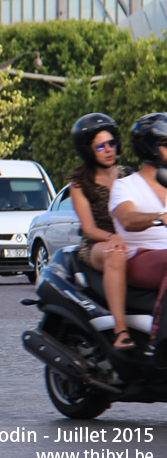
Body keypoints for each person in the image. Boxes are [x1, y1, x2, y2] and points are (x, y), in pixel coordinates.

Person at [67, 113, 132, 349]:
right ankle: (121, 330)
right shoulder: (79, 185)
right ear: (88, 150)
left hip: (131, 239)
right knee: (115, 252)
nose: (109, 150)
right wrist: (111, 236)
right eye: (101, 146)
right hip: (97, 243)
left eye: (112, 143)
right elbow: (89, 228)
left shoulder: (129, 175)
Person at [108, 113, 167, 358]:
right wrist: (159, 217)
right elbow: (127, 219)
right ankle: (160, 338)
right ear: (151, 148)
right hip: (139, 257)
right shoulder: (126, 185)